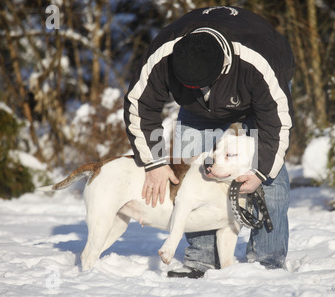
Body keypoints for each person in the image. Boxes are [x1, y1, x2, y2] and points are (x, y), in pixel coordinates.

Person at [124, 6, 294, 278]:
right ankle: (202, 259)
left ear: (222, 68)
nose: (195, 90)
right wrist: (153, 161)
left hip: (258, 102)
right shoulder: (163, 55)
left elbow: (278, 124)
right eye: (187, 85)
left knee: (270, 182)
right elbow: (138, 105)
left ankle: (268, 262)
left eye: (199, 85)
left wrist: (261, 171)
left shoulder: (259, 62)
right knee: (196, 176)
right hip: (198, 111)